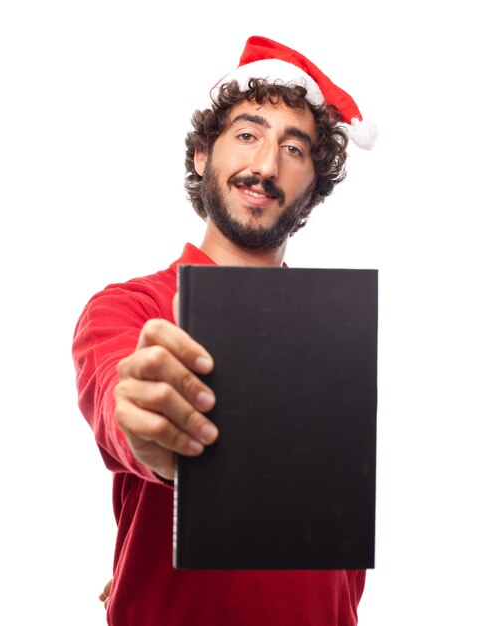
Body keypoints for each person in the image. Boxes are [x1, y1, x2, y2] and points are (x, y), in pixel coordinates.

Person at [72, 35, 376, 626]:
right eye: (247, 135)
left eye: (295, 148)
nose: (265, 165)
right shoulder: (128, 308)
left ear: (314, 186)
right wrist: (146, 427)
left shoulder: (338, 335)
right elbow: (117, 400)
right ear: (201, 156)